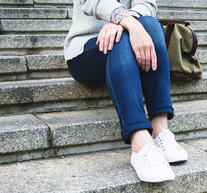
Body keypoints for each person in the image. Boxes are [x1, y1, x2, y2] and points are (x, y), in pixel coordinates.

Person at [64, 0, 188, 183]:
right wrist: (125, 22)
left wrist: (124, 24)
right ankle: (140, 142)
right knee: (120, 37)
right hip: (87, 49)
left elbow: (147, 4)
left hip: (125, 37)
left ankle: (160, 131)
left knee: (151, 25)